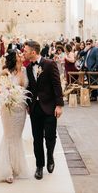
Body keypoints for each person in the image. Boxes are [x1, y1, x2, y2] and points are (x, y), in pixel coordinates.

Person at [24, 40, 64, 180]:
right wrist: (28, 104)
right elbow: (29, 88)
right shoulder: (28, 68)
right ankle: (39, 166)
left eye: (25, 50)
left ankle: (50, 156)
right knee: (37, 139)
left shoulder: (49, 64)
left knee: (50, 137)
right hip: (35, 109)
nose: (24, 53)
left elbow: (56, 85)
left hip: (50, 107)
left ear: (33, 52)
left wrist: (59, 105)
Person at [0, 50, 29, 183]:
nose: (21, 55)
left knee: (17, 136)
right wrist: (7, 95)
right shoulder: (5, 71)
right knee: (9, 135)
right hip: (8, 108)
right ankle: (6, 169)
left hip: (21, 109)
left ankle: (16, 166)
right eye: (19, 55)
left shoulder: (26, 70)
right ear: (14, 58)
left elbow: (28, 88)